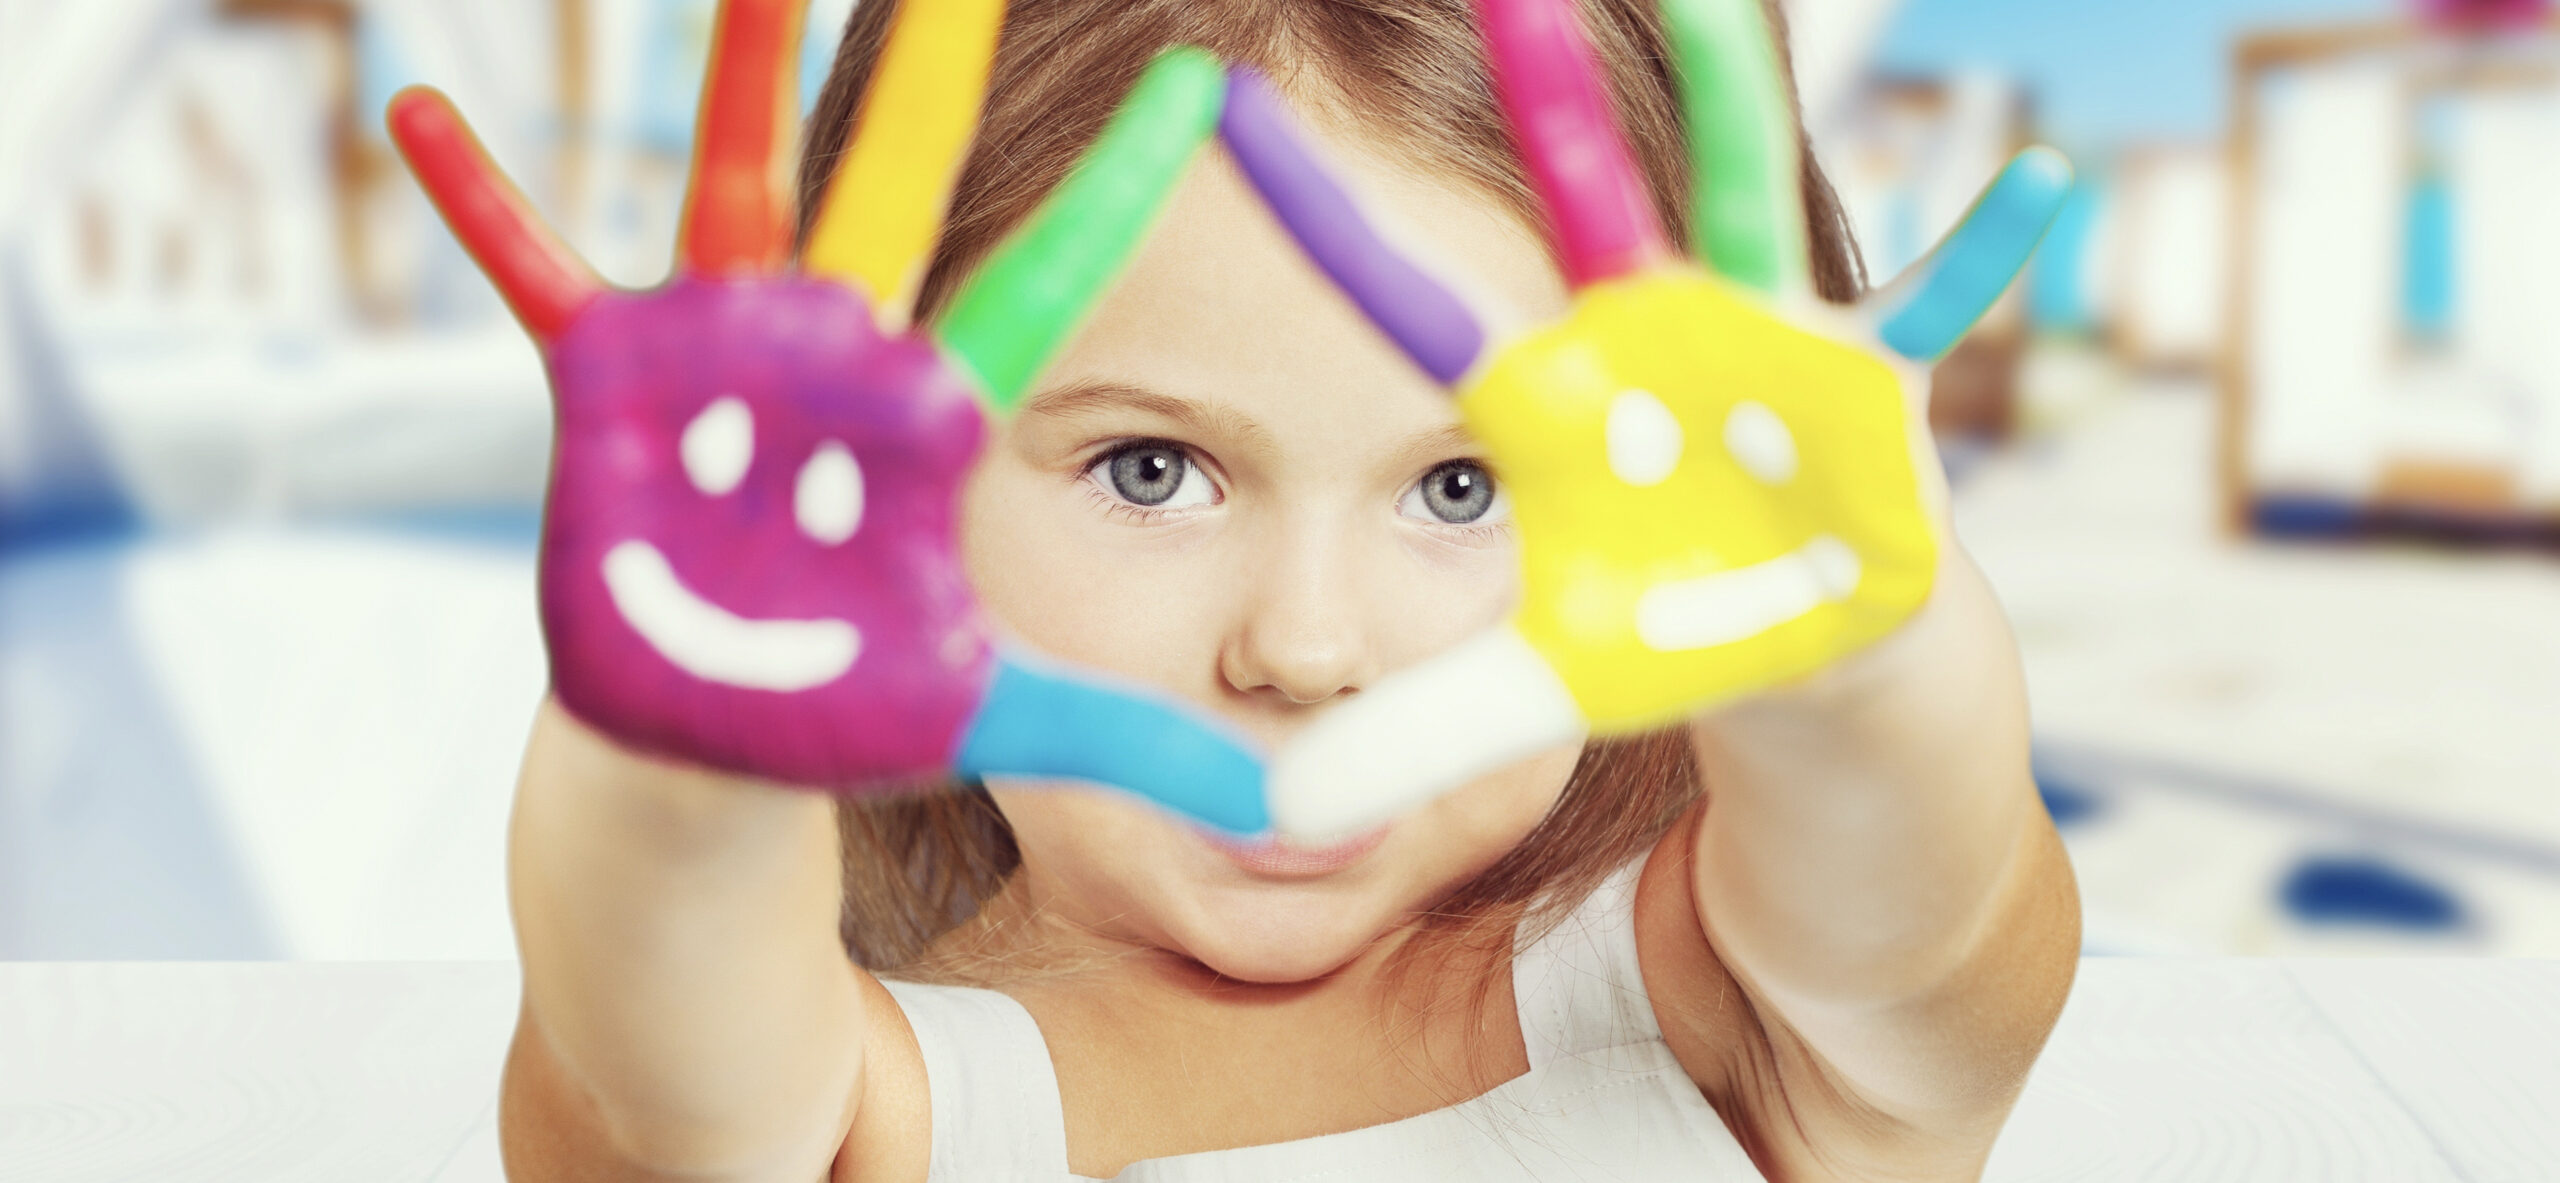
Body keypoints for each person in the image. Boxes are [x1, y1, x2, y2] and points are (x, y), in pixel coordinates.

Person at [475, 0, 2081, 1178]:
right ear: (896, 492)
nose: (1306, 649)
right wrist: (680, 756)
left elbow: (1925, 917)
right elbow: (647, 1088)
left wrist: (1860, 669)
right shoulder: (872, 1110)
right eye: (1150, 471)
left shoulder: (1737, 1014)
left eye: (1467, 488)